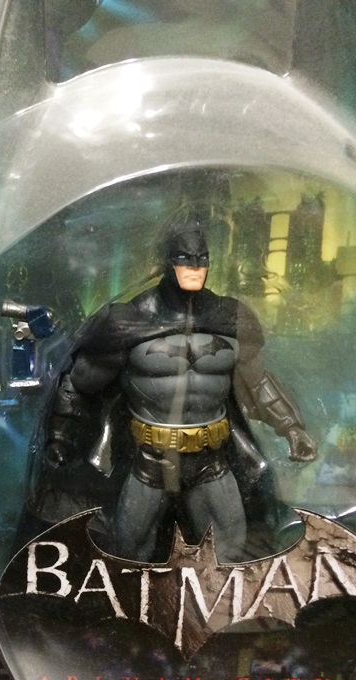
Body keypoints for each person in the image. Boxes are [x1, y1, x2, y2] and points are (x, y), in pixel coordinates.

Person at [42, 221, 317, 562]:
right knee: (130, 554)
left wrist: (292, 428)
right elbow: (80, 382)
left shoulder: (228, 317)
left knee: (228, 554)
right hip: (150, 459)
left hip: (211, 458)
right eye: (185, 258)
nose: (195, 266)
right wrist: (60, 437)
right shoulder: (130, 320)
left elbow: (258, 382)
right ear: (166, 261)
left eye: (202, 258)